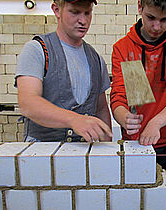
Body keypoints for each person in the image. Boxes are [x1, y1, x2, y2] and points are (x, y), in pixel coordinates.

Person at [110, 0, 166, 169]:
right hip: (136, 142)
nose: (157, 27)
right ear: (140, 7)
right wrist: (123, 117)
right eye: (151, 17)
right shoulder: (124, 48)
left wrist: (156, 123)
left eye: (165, 20)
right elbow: (119, 96)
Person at [15, 0, 112, 143]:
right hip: (42, 153)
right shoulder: (38, 49)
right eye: (75, 12)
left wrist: (107, 149)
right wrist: (73, 119)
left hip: (83, 153)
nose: (83, 21)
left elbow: (101, 108)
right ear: (56, 10)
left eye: (87, 13)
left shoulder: (95, 59)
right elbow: (27, 103)